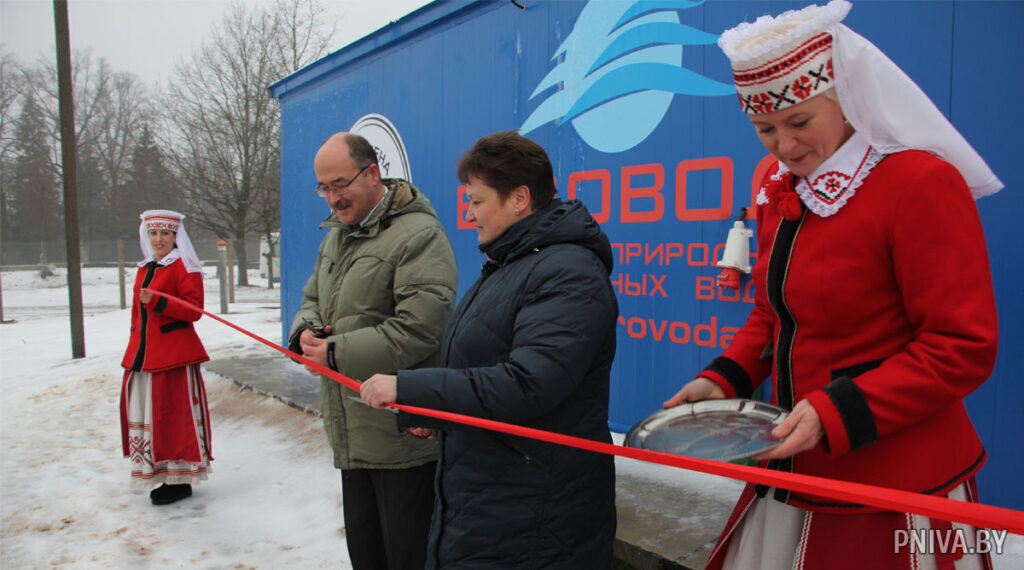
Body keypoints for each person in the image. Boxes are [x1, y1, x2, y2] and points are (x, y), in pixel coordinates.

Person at [663, 1, 1002, 569]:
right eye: (764, 128)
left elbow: (961, 346)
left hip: (898, 482)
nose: (784, 147)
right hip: (793, 465)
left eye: (800, 122)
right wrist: (725, 380)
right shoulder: (776, 183)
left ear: (846, 99)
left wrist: (835, 411)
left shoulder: (918, 182)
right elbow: (774, 318)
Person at [360, 130, 619, 569]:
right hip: (492, 502)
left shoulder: (567, 272)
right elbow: (479, 363)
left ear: (519, 198)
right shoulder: (512, 262)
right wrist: (435, 414)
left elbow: (527, 384)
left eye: (477, 201)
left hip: (537, 518)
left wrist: (412, 391)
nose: (470, 212)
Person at [288, 132, 457, 570]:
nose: (332, 198)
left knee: (408, 558)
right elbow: (311, 299)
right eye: (323, 188)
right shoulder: (336, 238)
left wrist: (336, 353)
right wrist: (304, 335)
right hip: (352, 432)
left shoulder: (419, 235)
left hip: (401, 441)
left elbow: (420, 328)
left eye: (339, 184)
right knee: (366, 556)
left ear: (372, 173)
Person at [120, 209, 211, 506]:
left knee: (173, 417)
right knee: (151, 416)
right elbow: (137, 315)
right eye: (153, 233)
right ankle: (158, 470)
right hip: (145, 357)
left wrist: (159, 302)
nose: (159, 239)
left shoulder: (185, 266)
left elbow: (194, 310)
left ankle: (180, 479)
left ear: (176, 236)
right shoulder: (145, 267)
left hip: (174, 357)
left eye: (165, 233)